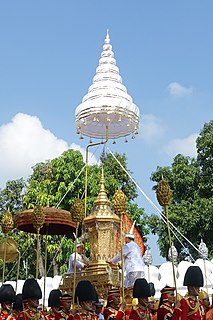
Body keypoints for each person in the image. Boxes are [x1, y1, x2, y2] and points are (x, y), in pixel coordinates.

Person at [108, 221, 145, 288]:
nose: (125, 240)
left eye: (125, 238)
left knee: (126, 287)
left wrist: (112, 261)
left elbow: (119, 255)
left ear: (127, 238)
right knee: (138, 287)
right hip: (141, 270)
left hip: (132, 270)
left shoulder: (127, 246)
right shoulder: (137, 246)